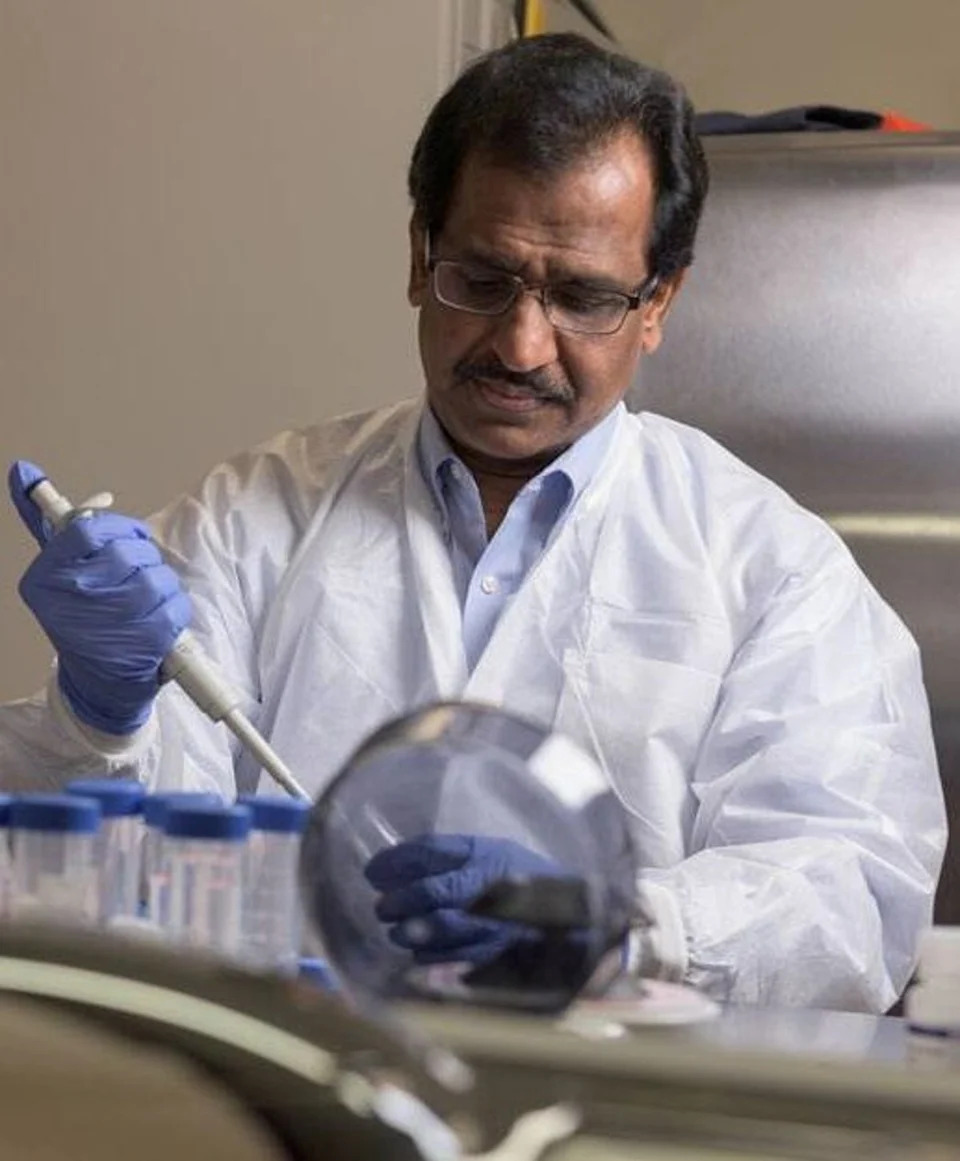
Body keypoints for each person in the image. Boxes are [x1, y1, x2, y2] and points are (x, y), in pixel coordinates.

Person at [0, 34, 946, 1011]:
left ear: (658, 300)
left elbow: (851, 895)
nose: (521, 344)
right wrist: (99, 716)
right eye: (483, 280)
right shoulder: (259, 512)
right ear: (420, 257)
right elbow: (119, 865)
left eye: (582, 297)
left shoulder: (773, 569)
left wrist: (620, 925)